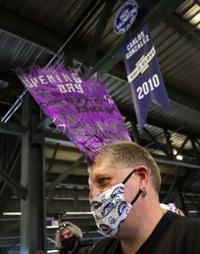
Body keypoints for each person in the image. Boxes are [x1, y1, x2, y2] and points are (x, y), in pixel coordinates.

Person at [88, 141, 200, 254]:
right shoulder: (99, 250)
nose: (92, 195)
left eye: (103, 180)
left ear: (142, 178)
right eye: (90, 187)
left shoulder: (193, 238)